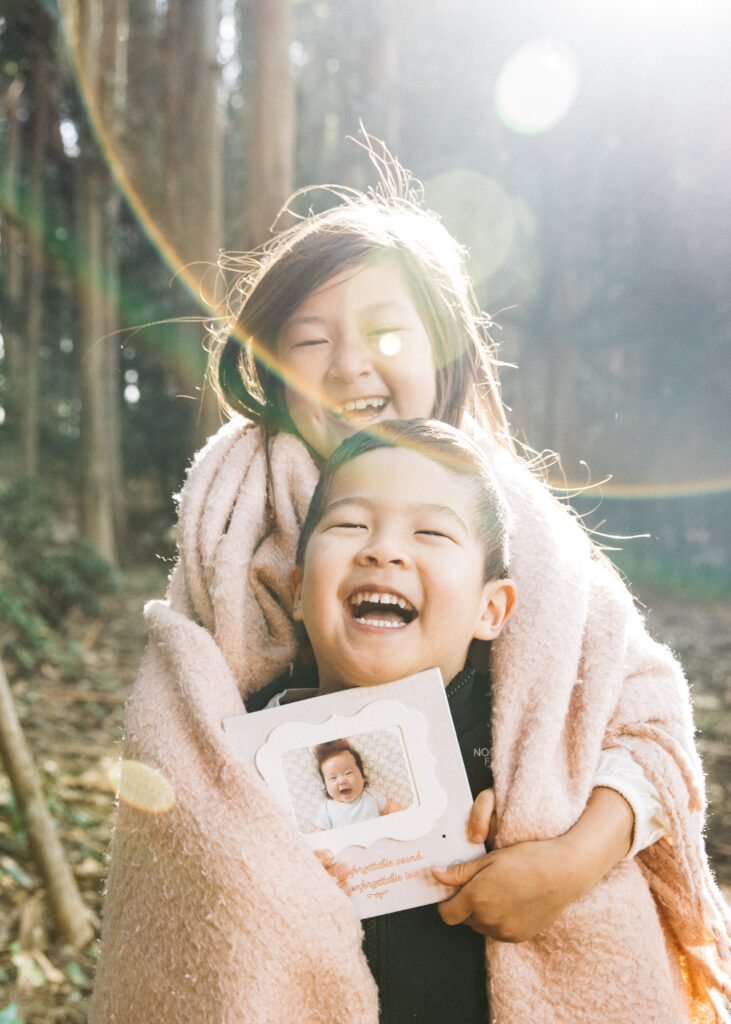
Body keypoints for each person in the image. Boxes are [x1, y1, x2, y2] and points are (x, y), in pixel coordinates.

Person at [91, 143, 730, 1024]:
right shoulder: (228, 535)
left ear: (443, 351)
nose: (351, 364)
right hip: (305, 961)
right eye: (310, 341)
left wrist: (572, 860)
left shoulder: (523, 531)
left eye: (385, 335)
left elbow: (650, 723)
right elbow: (187, 761)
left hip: (501, 949)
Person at [311, 739, 402, 831]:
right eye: (333, 778)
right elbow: (319, 833)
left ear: (362, 777)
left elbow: (390, 807)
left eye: (348, 773)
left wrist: (402, 818)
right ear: (326, 786)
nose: (342, 781)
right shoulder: (327, 809)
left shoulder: (371, 795)